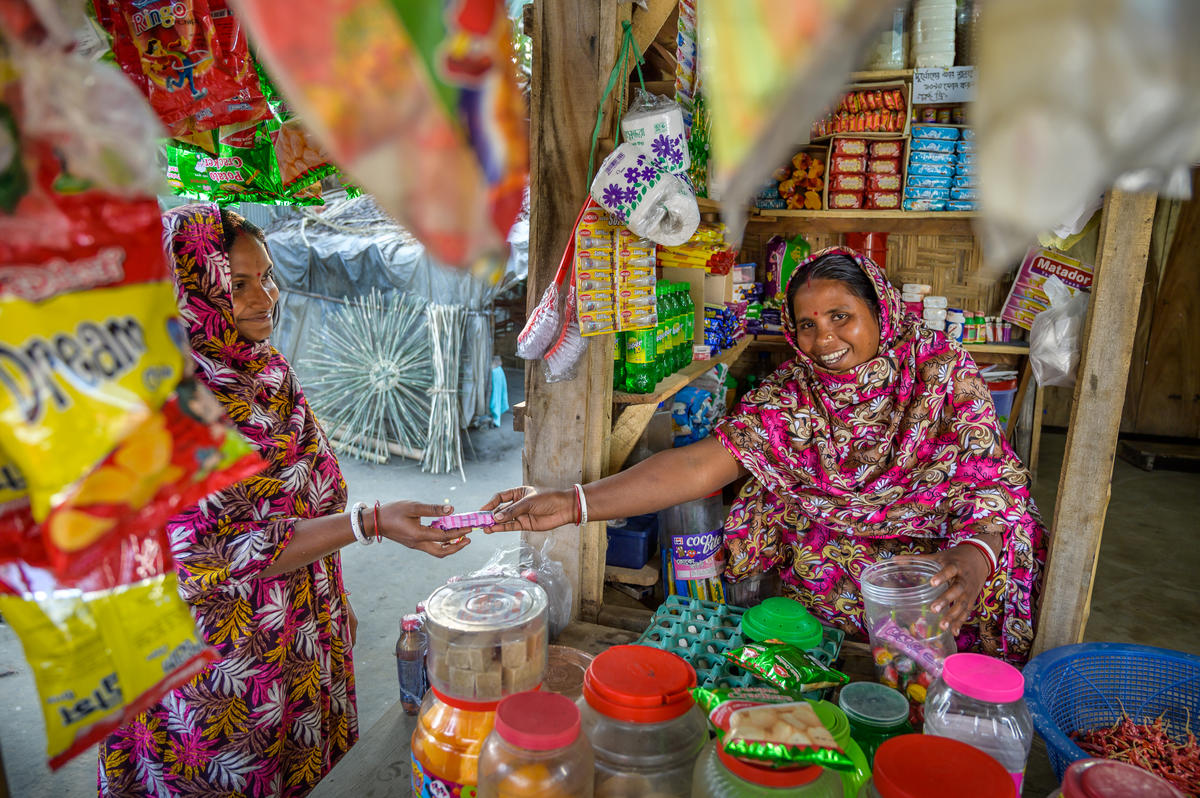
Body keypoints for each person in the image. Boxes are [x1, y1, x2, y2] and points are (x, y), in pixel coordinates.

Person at [485, 246, 1047, 664]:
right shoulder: (793, 393)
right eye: (806, 325)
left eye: (840, 317)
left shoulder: (940, 371)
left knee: (997, 556)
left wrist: (975, 558)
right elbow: (699, 463)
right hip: (844, 572)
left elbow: (991, 482)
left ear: (882, 310)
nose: (822, 340)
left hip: (934, 572)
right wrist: (573, 503)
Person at [99, 204, 470, 797]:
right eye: (237, 284)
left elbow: (307, 501)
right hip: (221, 668)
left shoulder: (264, 373)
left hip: (300, 631)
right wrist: (369, 522)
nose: (264, 298)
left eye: (267, 276)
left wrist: (331, 598)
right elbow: (214, 554)